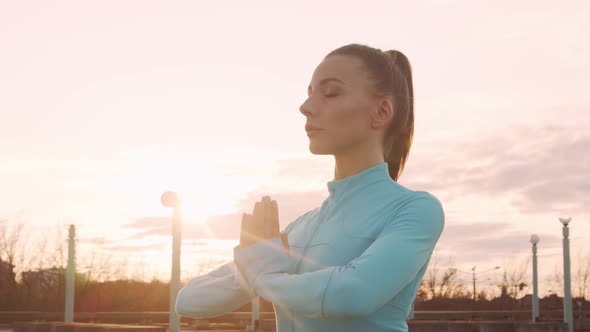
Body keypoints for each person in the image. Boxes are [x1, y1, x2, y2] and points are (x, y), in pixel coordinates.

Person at [175, 43, 445, 332]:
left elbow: (352, 293)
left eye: (330, 93)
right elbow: (190, 300)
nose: (306, 107)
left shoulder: (416, 209)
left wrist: (260, 274)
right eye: (309, 94)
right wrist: (262, 269)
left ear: (381, 112)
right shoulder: (299, 227)